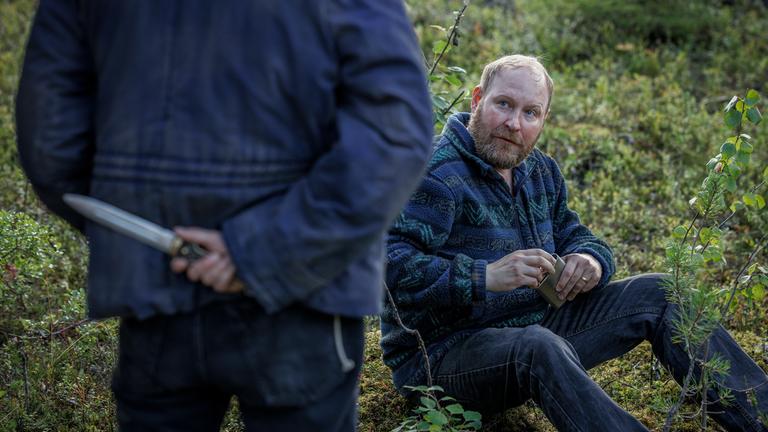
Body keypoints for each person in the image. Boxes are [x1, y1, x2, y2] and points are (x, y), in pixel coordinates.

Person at [16, 1, 433, 430]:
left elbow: (50, 141)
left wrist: (140, 233)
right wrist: (270, 249)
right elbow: (394, 134)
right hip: (305, 295)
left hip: (158, 280)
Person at [381, 54, 768, 431]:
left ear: (543, 119)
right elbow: (386, 263)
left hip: (537, 326)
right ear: (478, 100)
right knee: (538, 346)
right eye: (503, 104)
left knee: (662, 293)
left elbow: (573, 233)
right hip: (442, 356)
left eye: (530, 112)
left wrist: (591, 260)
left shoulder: (539, 171)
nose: (515, 123)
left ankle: (760, 417)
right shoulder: (433, 172)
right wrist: (485, 276)